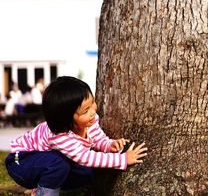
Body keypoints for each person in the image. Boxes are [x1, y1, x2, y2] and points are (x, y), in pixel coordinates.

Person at [5, 76, 148, 195]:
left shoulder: (90, 121)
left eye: (92, 103)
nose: (93, 111)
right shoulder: (59, 136)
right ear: (66, 119)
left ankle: (40, 187)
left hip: (45, 161)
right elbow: (86, 157)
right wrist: (122, 159)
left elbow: (98, 138)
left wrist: (109, 145)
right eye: (85, 111)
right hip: (20, 161)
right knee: (58, 163)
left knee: (87, 173)